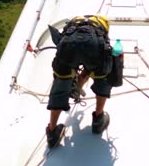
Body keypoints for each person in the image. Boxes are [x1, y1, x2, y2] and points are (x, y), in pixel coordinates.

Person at [46, 15, 114, 148]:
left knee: (60, 87)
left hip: (68, 48)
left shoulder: (72, 27)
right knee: (102, 79)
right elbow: (88, 69)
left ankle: (52, 132)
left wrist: (74, 85)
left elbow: (74, 56)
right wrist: (80, 83)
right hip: (94, 49)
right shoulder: (101, 28)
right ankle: (98, 120)